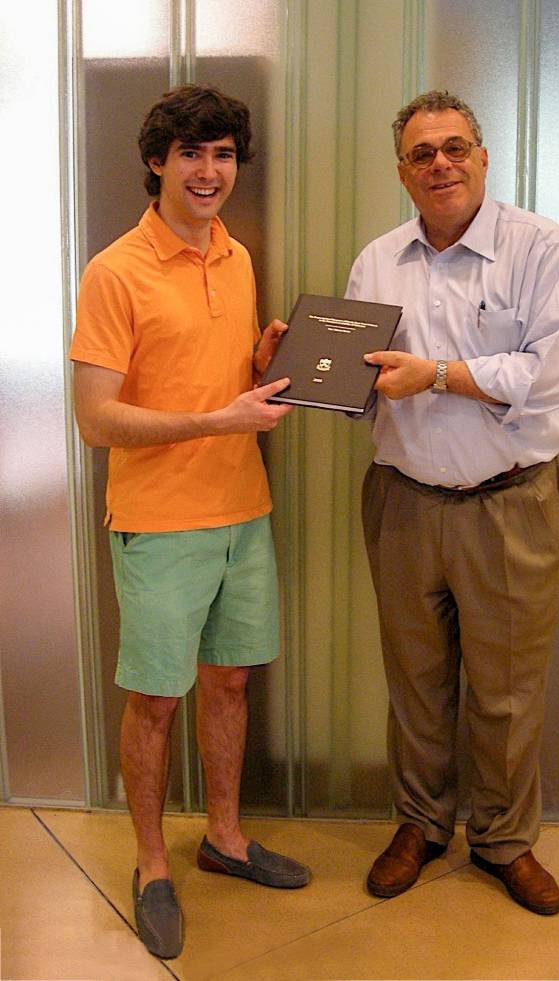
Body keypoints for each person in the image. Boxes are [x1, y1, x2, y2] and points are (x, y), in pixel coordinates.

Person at [70, 84, 311, 961]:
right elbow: (96, 418)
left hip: (243, 507)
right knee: (154, 700)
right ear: (156, 161)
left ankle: (225, 838)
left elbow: (209, 376)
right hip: (159, 521)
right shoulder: (115, 271)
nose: (209, 172)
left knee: (230, 683)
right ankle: (150, 864)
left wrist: (258, 362)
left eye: (223, 155)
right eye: (191, 154)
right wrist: (219, 418)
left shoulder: (236, 256)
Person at [346, 90, 559, 915]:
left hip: (510, 503)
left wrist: (438, 375)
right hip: (404, 502)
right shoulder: (376, 261)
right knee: (415, 682)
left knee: (507, 691)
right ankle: (421, 823)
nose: (439, 163)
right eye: (422, 153)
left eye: (454, 148)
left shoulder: (540, 247)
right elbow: (363, 385)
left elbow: (546, 377)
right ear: (402, 171)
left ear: (483, 157)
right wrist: (305, 366)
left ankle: (504, 839)